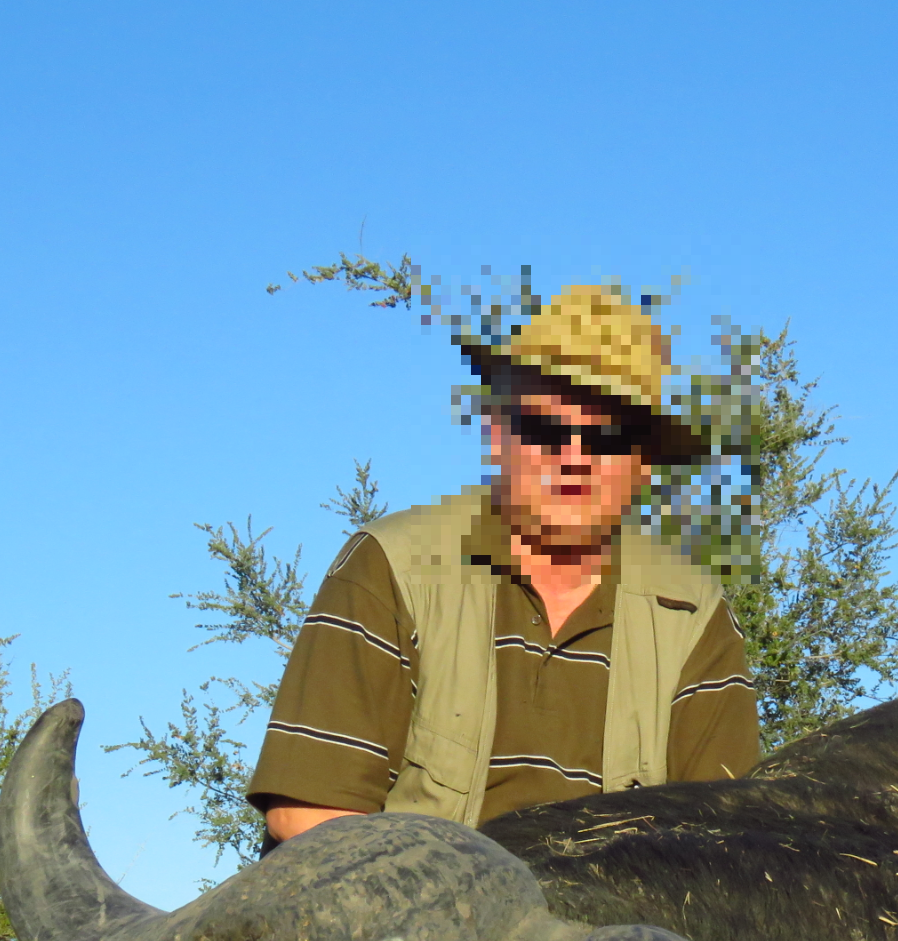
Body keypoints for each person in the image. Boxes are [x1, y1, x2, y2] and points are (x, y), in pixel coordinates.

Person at [246, 283, 758, 842]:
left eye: (607, 438)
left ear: (643, 464)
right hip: (404, 916)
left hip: (608, 924)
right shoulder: (394, 565)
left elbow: (722, 844)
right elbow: (309, 816)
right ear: (499, 432)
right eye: (546, 430)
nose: (574, 460)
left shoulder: (690, 613)